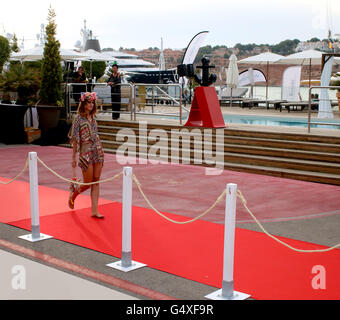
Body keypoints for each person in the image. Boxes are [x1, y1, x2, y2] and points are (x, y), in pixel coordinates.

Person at [68, 92, 104, 218]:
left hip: (97, 151)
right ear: (83, 104)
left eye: (92, 102)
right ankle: (74, 193)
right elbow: (75, 139)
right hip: (85, 152)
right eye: (88, 102)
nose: (91, 104)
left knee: (96, 181)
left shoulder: (93, 118)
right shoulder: (78, 118)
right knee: (88, 182)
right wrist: (73, 157)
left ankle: (94, 210)